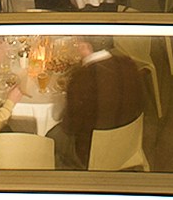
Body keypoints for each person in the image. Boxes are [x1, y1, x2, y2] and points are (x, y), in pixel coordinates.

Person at [47, 35, 145, 167]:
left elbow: (70, 127)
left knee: (51, 136)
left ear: (84, 46)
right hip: (128, 144)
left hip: (93, 153)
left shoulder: (80, 79)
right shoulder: (129, 63)